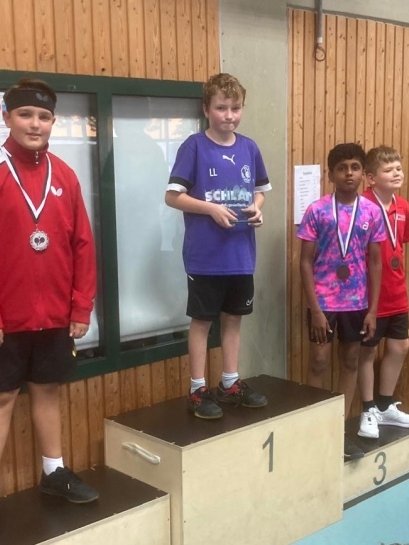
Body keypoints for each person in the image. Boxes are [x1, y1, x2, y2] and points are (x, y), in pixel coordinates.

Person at [0, 78, 98, 537]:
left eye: (43, 116)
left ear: (53, 122)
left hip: (55, 315)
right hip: (3, 319)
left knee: (47, 390)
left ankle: (54, 472)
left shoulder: (66, 176)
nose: (35, 124)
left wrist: (81, 306)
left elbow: (82, 246)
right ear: (7, 117)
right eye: (25, 115)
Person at [164, 72, 271, 419]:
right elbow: (172, 197)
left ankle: (229, 382)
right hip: (206, 257)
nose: (229, 115)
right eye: (221, 108)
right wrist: (210, 208)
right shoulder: (194, 146)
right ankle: (197, 389)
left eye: (235, 108)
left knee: (234, 319)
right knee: (202, 322)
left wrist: (257, 208)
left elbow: (260, 192)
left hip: (241, 255)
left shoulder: (249, 147)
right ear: (206, 109)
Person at [297, 143, 385, 460]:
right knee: (318, 362)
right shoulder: (317, 210)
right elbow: (305, 262)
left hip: (357, 304)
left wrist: (373, 310)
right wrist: (315, 310)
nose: (349, 173)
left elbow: (375, 262)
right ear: (330, 174)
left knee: (350, 362)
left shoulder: (372, 212)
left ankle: (339, 430)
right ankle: (315, 430)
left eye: (355, 167)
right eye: (342, 168)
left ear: (364, 173)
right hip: (324, 303)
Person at [357, 146, 409, 438]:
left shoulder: (403, 207)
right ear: (371, 178)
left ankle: (384, 405)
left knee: (400, 347)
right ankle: (367, 408)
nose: (397, 173)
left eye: (399, 168)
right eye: (389, 170)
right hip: (369, 296)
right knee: (367, 351)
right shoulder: (362, 206)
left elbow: (399, 247)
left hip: (396, 292)